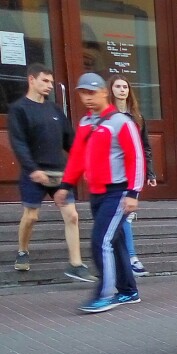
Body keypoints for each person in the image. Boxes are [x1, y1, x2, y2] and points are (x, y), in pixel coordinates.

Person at [55, 73, 145, 313]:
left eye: (91, 92)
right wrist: (65, 185)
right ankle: (129, 291)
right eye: (83, 93)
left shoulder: (121, 122)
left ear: (105, 92)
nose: (87, 98)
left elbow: (136, 158)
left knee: (101, 241)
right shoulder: (86, 123)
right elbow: (77, 158)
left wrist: (132, 193)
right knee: (113, 242)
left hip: (117, 192)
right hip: (97, 193)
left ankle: (104, 295)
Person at [8, 63, 93, 281]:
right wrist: (33, 169)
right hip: (33, 174)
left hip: (59, 174)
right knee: (31, 216)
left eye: (51, 82)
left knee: (72, 216)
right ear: (31, 80)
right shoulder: (19, 109)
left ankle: (76, 264)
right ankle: (22, 251)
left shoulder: (55, 110)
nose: (49, 86)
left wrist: (83, 164)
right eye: (45, 81)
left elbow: (71, 141)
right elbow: (19, 143)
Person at [107, 74, 156, 276]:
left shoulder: (137, 117)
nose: (122, 90)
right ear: (111, 90)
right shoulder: (106, 116)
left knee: (126, 217)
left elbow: (145, 147)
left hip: (133, 173)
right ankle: (130, 258)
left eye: (125, 86)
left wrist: (150, 172)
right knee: (123, 217)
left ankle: (129, 258)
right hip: (114, 174)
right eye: (118, 86)